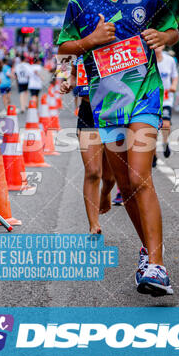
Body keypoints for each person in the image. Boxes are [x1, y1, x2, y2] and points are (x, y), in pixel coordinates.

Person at [57, 0, 179, 296]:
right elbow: (64, 46)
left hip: (144, 97)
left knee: (141, 178)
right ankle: (148, 251)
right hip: (105, 106)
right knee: (125, 185)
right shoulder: (79, 4)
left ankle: (156, 266)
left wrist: (163, 37)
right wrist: (91, 40)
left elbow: (173, 30)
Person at [60, 56, 117, 234]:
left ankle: (106, 192)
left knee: (110, 177)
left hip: (113, 112)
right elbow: (74, 75)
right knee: (93, 172)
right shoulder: (80, 50)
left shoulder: (116, 42)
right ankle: (94, 225)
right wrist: (68, 83)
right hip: (88, 113)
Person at [152, 46, 179, 167]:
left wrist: (173, 85)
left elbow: (175, 76)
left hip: (166, 99)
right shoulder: (148, 59)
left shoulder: (169, 60)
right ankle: (153, 155)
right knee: (152, 130)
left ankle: (165, 142)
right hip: (151, 100)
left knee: (166, 124)